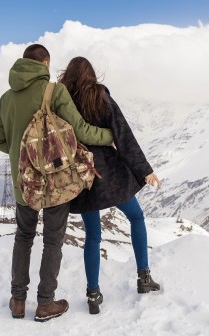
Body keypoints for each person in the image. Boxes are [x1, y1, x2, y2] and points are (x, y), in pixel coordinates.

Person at [0, 45, 113, 322]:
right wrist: (110, 136)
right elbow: (81, 130)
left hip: (24, 183)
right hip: (55, 182)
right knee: (52, 241)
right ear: (46, 63)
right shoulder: (55, 91)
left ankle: (18, 301)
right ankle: (45, 304)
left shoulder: (6, 98)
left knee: (23, 237)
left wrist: (22, 155)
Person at [59, 56, 162, 315]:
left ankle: (93, 294)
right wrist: (145, 170)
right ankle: (143, 277)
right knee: (136, 218)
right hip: (109, 173)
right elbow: (122, 134)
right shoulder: (100, 96)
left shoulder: (62, 100)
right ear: (92, 75)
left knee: (93, 235)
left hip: (80, 175)